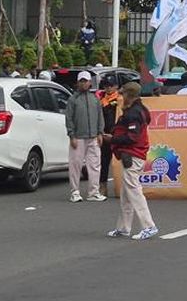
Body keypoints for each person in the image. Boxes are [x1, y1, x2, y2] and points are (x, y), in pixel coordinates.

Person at [104, 82, 157, 240]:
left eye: (123, 94)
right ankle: (123, 228)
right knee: (127, 193)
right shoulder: (139, 110)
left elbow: (132, 137)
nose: (121, 96)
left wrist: (112, 139)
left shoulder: (133, 113)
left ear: (129, 95)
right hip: (134, 154)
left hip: (133, 154)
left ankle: (149, 225)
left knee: (133, 191)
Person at [64, 71, 105, 203]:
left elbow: (100, 116)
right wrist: (72, 135)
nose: (83, 83)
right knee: (75, 165)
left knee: (94, 165)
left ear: (90, 82)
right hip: (78, 137)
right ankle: (75, 192)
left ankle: (93, 192)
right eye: (81, 81)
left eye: (85, 81)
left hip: (93, 136)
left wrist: (100, 132)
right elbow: (69, 118)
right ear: (78, 83)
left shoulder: (95, 99)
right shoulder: (73, 99)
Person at [98, 75, 120, 198]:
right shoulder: (101, 101)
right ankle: (103, 186)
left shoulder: (121, 100)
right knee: (104, 161)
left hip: (118, 135)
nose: (109, 88)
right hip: (105, 135)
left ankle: (122, 186)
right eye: (106, 86)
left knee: (121, 162)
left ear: (116, 86)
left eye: (111, 85)